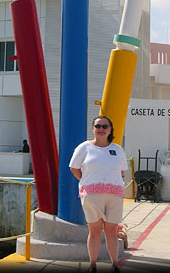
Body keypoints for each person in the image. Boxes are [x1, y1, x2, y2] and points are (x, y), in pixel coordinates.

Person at [69, 115, 128, 273]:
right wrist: (87, 181)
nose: (101, 129)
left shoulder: (117, 149)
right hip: (91, 194)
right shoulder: (84, 147)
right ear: (93, 129)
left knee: (112, 230)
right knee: (94, 230)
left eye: (104, 126)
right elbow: (74, 167)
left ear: (110, 129)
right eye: (98, 126)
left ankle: (114, 264)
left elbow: (122, 170)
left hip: (114, 194)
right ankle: (93, 264)